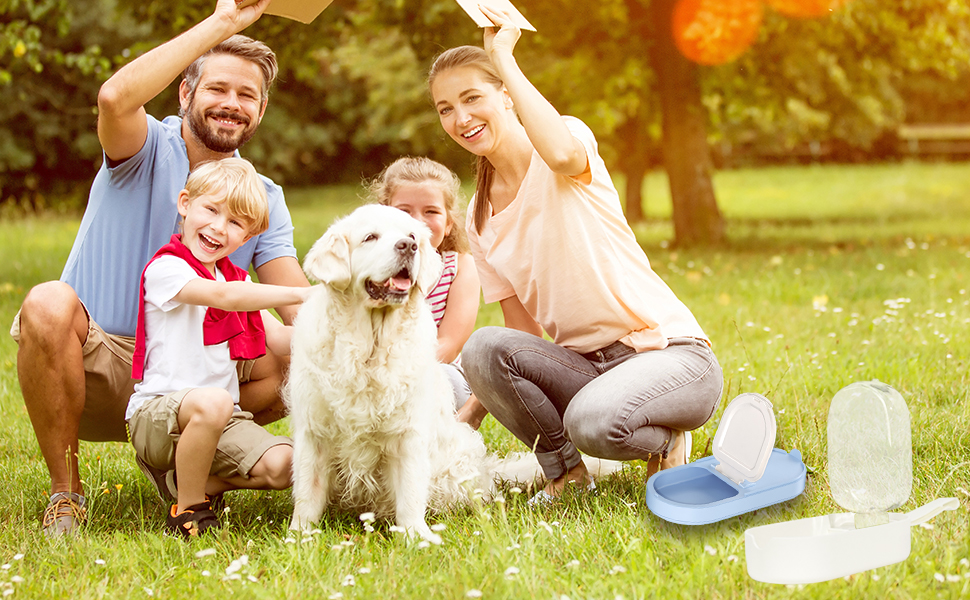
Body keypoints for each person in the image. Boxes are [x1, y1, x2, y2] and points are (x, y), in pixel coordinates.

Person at [12, 0, 309, 536]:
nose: (232, 104)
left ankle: (187, 469)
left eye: (247, 95)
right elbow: (113, 97)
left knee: (302, 355)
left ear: (262, 110)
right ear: (185, 93)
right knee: (47, 302)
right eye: (217, 88)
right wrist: (223, 22)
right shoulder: (144, 146)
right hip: (99, 365)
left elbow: (299, 307)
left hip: (196, 379)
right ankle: (66, 494)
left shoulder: (262, 197)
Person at [427, 7, 723, 503]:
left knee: (592, 423)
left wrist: (503, 57)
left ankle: (666, 438)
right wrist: (470, 415)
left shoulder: (564, 143)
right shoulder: (478, 217)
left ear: (506, 94)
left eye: (472, 98)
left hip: (670, 356)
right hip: (586, 370)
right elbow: (522, 335)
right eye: (445, 108)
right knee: (482, 347)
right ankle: (566, 476)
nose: (461, 118)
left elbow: (562, 155)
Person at [128, 158, 307, 538]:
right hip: (156, 417)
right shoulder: (167, 269)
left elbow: (281, 339)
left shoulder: (235, 280)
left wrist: (344, 324)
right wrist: (304, 293)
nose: (219, 227)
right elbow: (224, 297)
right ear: (185, 204)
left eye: (236, 223)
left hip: (221, 420)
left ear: (247, 237)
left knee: (291, 464)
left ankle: (189, 481)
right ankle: (189, 509)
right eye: (211, 210)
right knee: (214, 400)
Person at [368, 157, 482, 422]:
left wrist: (396, 374)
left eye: (431, 211)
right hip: (371, 373)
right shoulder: (368, 269)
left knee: (447, 384)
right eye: (404, 211)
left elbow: (449, 344)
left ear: (449, 223)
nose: (417, 223)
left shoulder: (460, 267)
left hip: (435, 371)